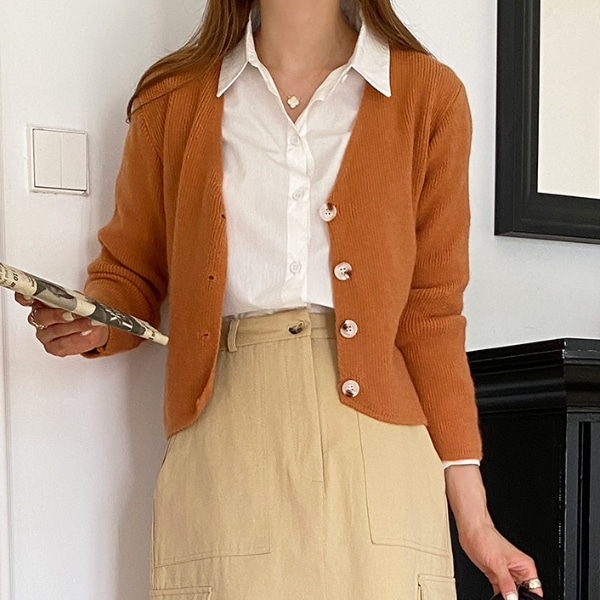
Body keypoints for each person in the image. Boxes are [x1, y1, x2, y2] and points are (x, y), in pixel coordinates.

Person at [16, 1, 544, 598]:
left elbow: (431, 315)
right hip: (226, 443)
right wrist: (93, 322)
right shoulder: (173, 98)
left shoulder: (428, 94)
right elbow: (131, 272)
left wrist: (476, 520)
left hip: (380, 458)